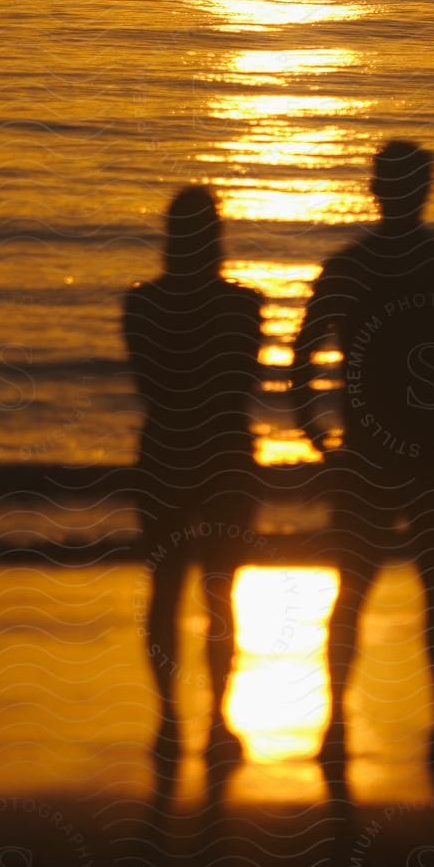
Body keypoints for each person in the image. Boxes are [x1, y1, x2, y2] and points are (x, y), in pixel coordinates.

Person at [290, 139, 434, 769]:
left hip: (370, 447)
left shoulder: (349, 265)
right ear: (423, 190)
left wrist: (314, 428)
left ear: (375, 188)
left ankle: (335, 728)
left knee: (355, 588)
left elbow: (304, 352)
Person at [122, 185, 261, 768]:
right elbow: (239, 384)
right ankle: (213, 721)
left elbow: (151, 384)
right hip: (223, 453)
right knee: (218, 591)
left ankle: (172, 722)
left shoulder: (143, 304)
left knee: (168, 590)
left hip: (168, 453)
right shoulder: (243, 305)